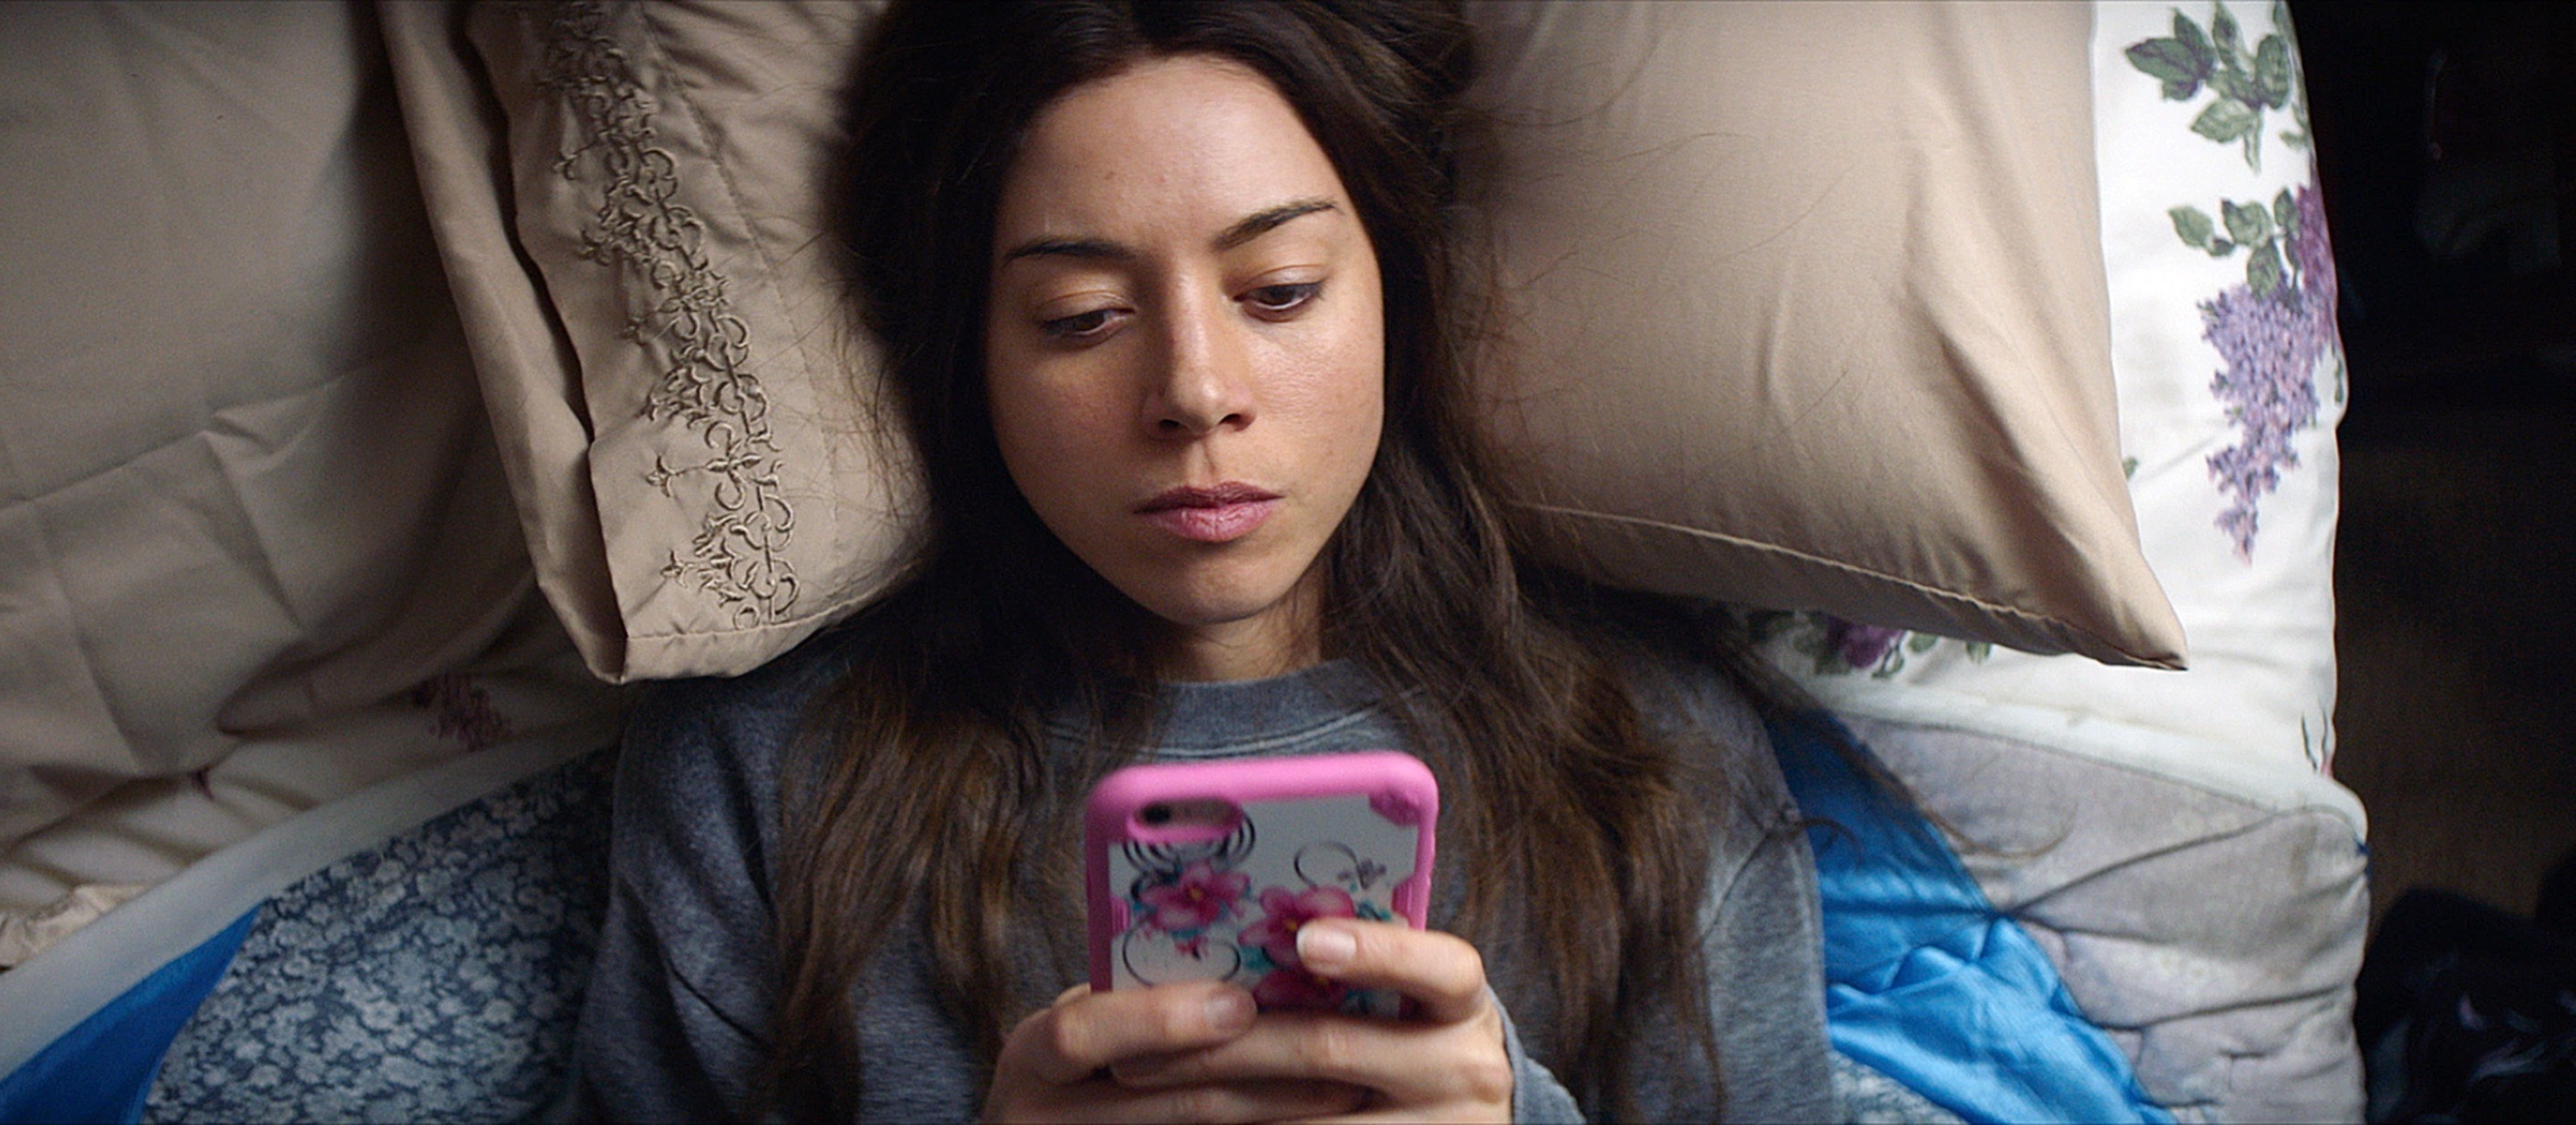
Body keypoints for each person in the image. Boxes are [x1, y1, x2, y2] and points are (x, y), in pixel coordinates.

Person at [574, 2, 1835, 1120]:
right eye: (1082, 318)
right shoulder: (762, 778)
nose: (1193, 391)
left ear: (1397, 288)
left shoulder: (1656, 754)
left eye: (1279, 289)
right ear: (972, 352)